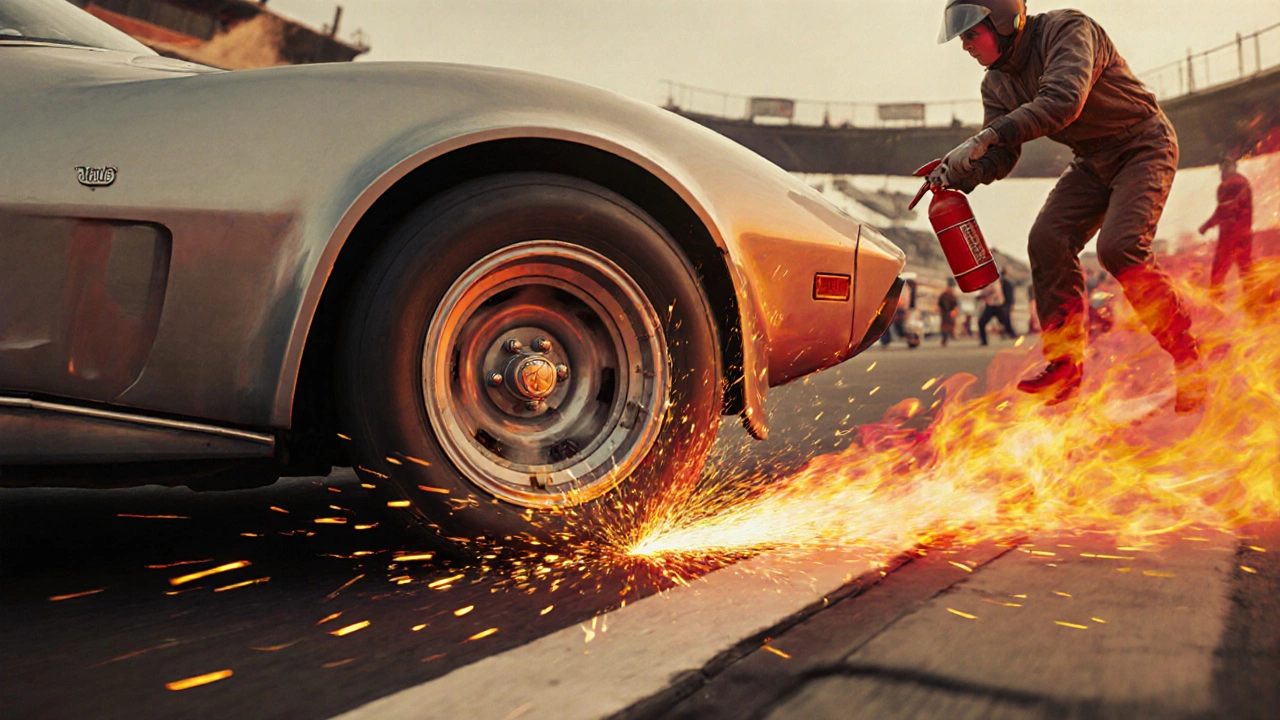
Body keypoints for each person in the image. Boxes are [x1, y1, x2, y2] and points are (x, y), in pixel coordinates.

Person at [931, 0, 1205, 411]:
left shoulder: (1067, 29)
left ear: (1004, 22)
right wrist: (964, 171)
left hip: (1143, 144)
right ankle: (1065, 363)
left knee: (1120, 248)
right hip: (1091, 160)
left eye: (971, 34)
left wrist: (985, 137)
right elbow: (1003, 155)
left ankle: (1189, 356)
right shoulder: (996, 84)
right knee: (1047, 239)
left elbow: (1063, 101)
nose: (965, 45)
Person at [1199, 157, 1254, 304]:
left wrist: (1207, 225)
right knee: (1246, 273)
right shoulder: (1242, 182)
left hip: (1230, 237)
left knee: (1218, 274)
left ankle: (1216, 307)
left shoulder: (1232, 184)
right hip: (1243, 236)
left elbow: (1224, 210)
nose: (1222, 173)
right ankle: (1253, 305)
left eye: (1224, 168)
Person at [977, 275, 1016, 345]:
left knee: (1005, 322)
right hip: (991, 305)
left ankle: (1014, 336)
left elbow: (992, 291)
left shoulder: (995, 281)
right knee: (981, 322)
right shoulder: (990, 281)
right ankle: (984, 341)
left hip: (998, 306)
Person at [938, 279, 959, 346]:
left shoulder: (947, 295)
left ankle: (947, 337)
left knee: (948, 325)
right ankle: (946, 338)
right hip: (946, 313)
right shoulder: (948, 295)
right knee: (947, 326)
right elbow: (954, 303)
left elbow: (955, 303)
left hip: (948, 313)